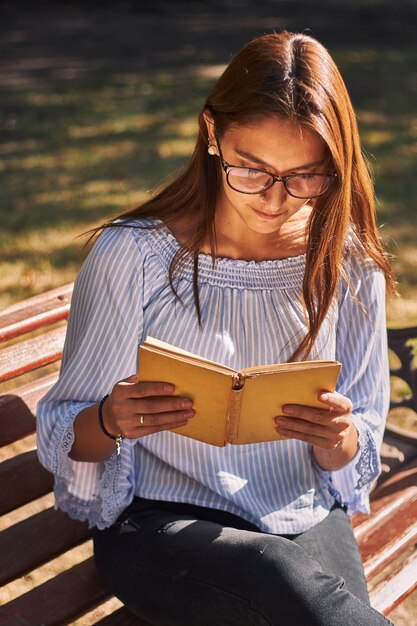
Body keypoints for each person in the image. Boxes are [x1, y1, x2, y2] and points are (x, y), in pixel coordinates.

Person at [37, 31, 396, 625]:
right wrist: (109, 418)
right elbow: (64, 436)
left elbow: (361, 440)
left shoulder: (348, 262)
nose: (276, 200)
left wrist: (340, 440)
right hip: (161, 525)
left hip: (300, 510)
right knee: (278, 578)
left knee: (315, 600)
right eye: (252, 170)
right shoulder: (136, 256)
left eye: (307, 176)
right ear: (211, 133)